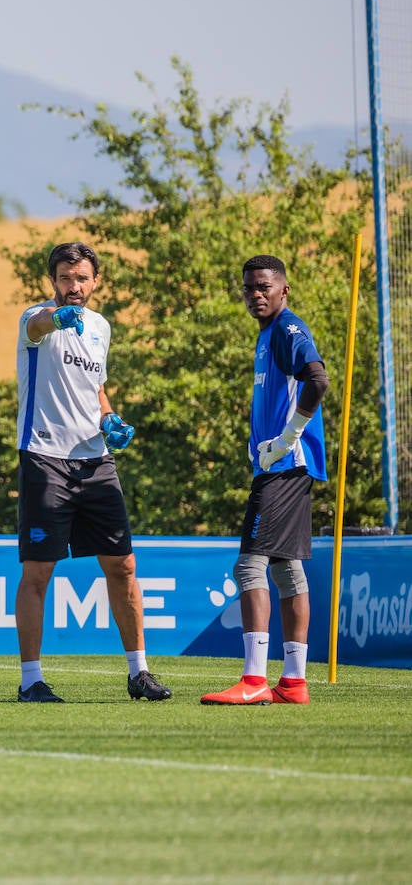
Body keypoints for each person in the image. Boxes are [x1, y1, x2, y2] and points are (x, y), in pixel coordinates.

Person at [12, 241, 171, 703]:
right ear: (53, 281)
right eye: (65, 277)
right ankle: (30, 680)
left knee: (123, 565)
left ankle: (139, 673)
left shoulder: (101, 326)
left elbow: (95, 386)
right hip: (45, 458)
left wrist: (110, 418)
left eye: (82, 278)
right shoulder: (33, 318)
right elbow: (39, 327)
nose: (74, 286)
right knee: (38, 572)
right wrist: (54, 318)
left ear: (95, 281)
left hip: (97, 460)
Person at [202, 255, 328, 706]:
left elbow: (317, 380)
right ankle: (293, 683)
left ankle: (254, 679)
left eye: (265, 287)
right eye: (249, 288)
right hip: (281, 465)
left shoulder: (288, 329)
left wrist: (287, 437)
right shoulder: (266, 335)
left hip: (285, 465)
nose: (256, 294)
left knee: (249, 565)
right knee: (285, 568)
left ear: (283, 290)